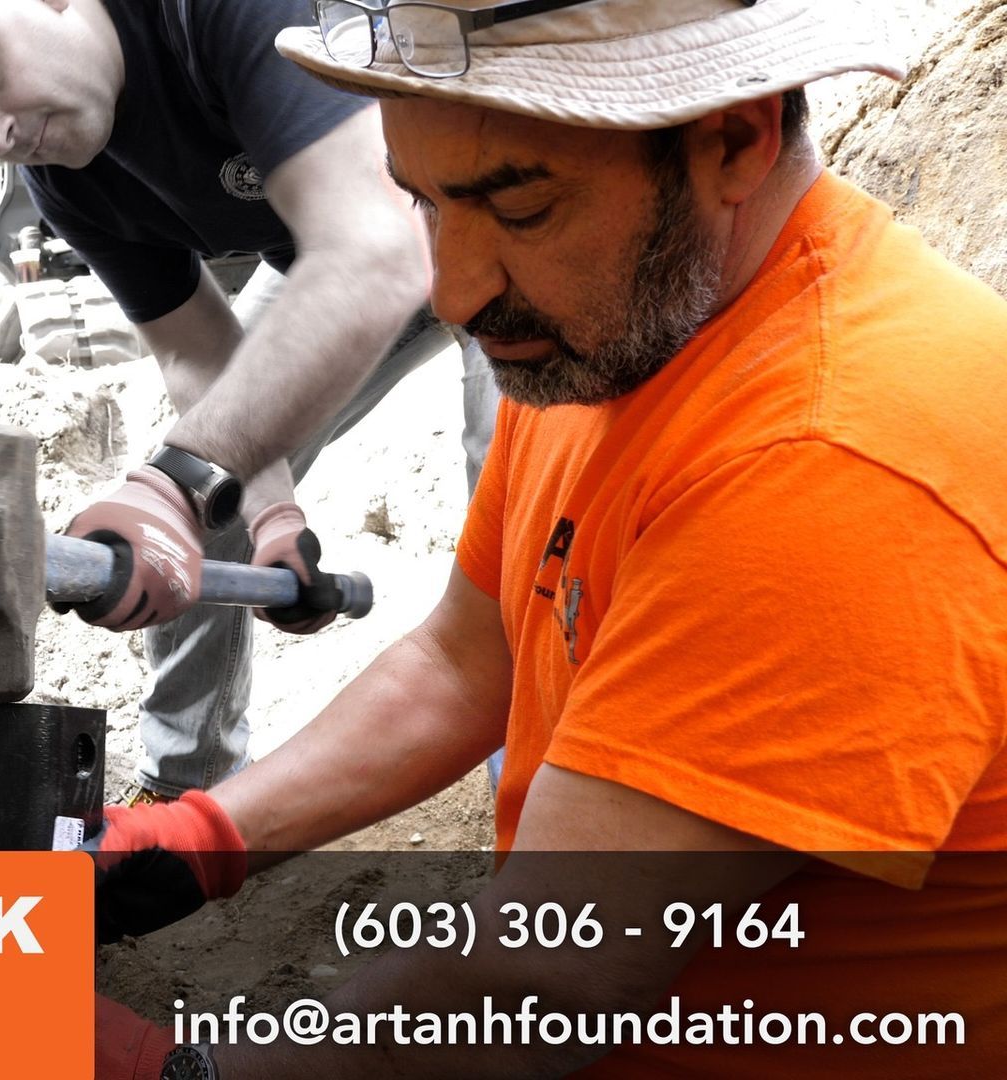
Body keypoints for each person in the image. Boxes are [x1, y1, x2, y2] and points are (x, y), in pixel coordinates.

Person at [88, 0, 1007, 1076]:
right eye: (425, 203)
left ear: (733, 139)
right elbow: (466, 659)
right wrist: (205, 840)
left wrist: (188, 1073)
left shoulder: (830, 458)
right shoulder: (612, 328)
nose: (454, 290)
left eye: (518, 207)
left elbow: (543, 977)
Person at [0, 0, 500, 803]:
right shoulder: (64, 178)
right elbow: (196, 350)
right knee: (199, 504)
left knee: (524, 514)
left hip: (494, 209)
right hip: (337, 253)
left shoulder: (216, 13)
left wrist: (174, 483)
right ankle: (180, 799)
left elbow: (378, 251)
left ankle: (545, 823)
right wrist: (270, 518)